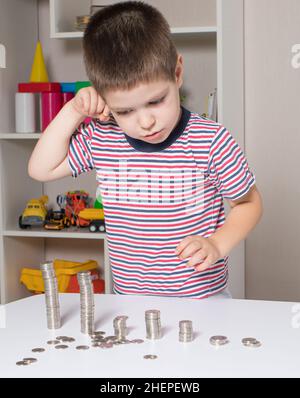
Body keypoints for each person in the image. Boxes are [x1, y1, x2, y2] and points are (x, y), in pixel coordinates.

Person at [28, 1, 263, 299]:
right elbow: (40, 169)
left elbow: (249, 204)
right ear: (106, 103)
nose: (146, 121)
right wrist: (74, 111)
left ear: (177, 73)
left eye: (156, 101)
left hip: (203, 300)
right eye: (125, 111)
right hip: (130, 303)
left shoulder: (210, 141)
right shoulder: (103, 137)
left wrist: (217, 245)